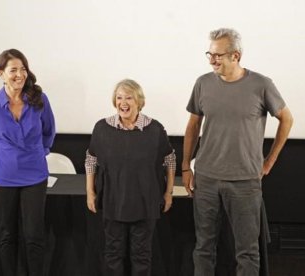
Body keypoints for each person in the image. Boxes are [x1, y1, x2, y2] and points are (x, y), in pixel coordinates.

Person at [182, 28, 293, 276]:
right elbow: (192, 126)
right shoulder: (203, 83)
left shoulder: (261, 85)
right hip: (207, 179)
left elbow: (286, 119)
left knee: (247, 252)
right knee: (203, 248)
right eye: (209, 54)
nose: (212, 60)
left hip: (245, 181)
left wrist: (270, 160)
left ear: (236, 55)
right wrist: (186, 167)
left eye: (218, 55)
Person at [0, 49, 55, 276]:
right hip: (2, 177)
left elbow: (49, 131)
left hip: (35, 176)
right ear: (1, 74)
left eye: (23, 69)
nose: (19, 74)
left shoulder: (40, 100)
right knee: (6, 235)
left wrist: (38, 152)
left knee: (34, 236)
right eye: (13, 70)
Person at [85, 79, 176, 276]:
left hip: (146, 203)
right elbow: (91, 159)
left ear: (139, 101)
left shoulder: (155, 129)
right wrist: (90, 192)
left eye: (128, 97)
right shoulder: (102, 128)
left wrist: (168, 193)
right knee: (113, 254)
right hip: (112, 202)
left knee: (141, 256)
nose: (123, 102)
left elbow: (170, 159)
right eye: (119, 98)